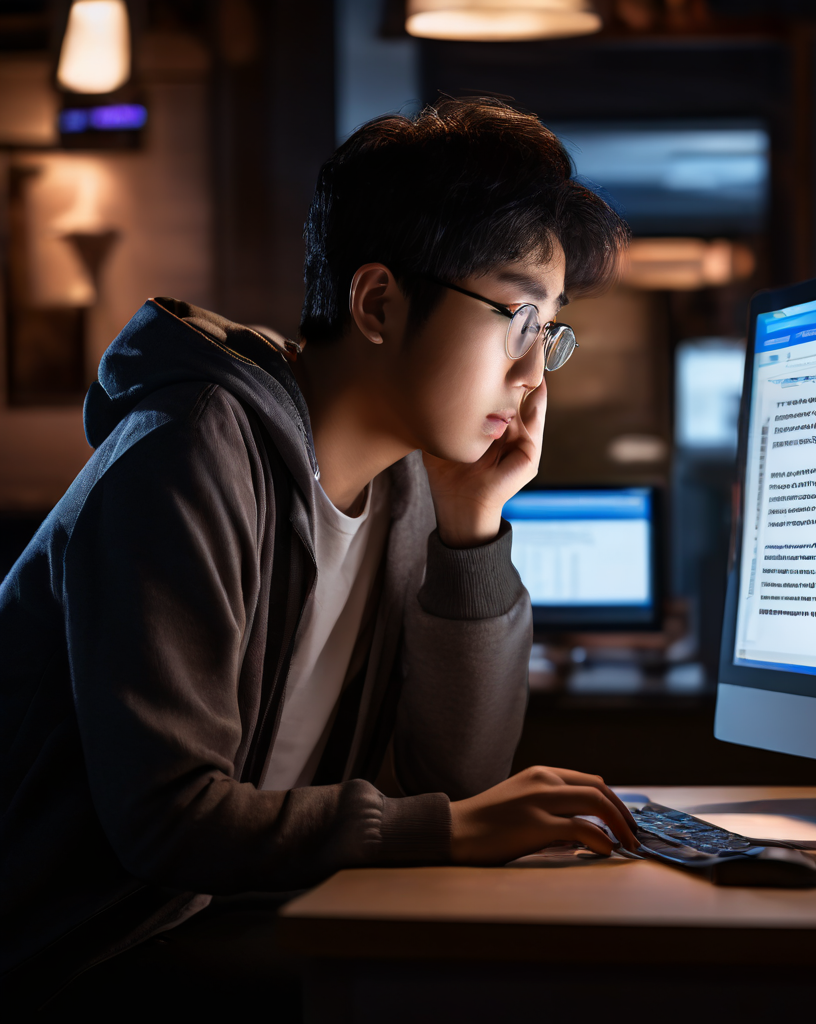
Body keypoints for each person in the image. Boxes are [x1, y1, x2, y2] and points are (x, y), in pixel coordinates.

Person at [0, 97, 638, 1017]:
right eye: (516, 315)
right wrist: (446, 828)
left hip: (228, 914)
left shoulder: (407, 491)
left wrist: (470, 533)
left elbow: (450, 783)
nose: (534, 373)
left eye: (551, 331)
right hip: (84, 948)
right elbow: (168, 820)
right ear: (378, 301)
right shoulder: (186, 453)